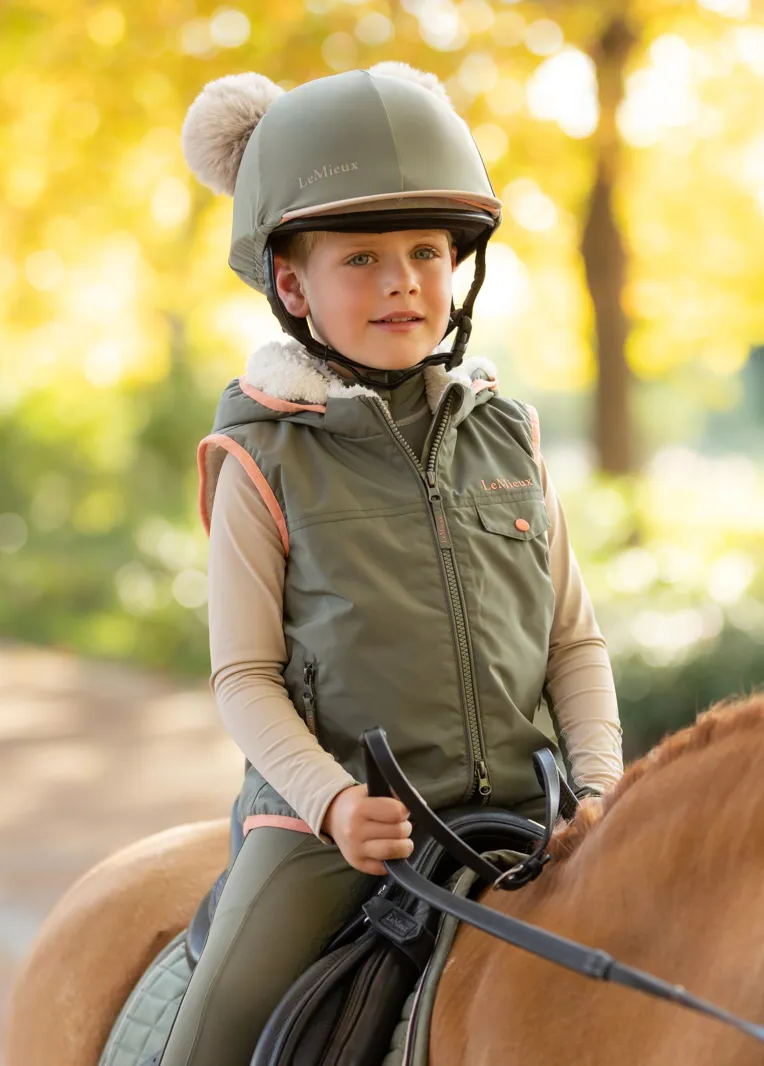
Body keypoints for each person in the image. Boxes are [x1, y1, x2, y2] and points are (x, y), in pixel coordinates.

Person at [159, 62, 624, 1066]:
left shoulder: (510, 437)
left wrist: (599, 782)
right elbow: (242, 677)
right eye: (360, 258)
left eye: (424, 249)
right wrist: (329, 803)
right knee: (214, 1038)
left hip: (525, 808)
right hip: (326, 834)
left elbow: (570, 641)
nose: (403, 280)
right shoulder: (261, 455)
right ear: (291, 281)